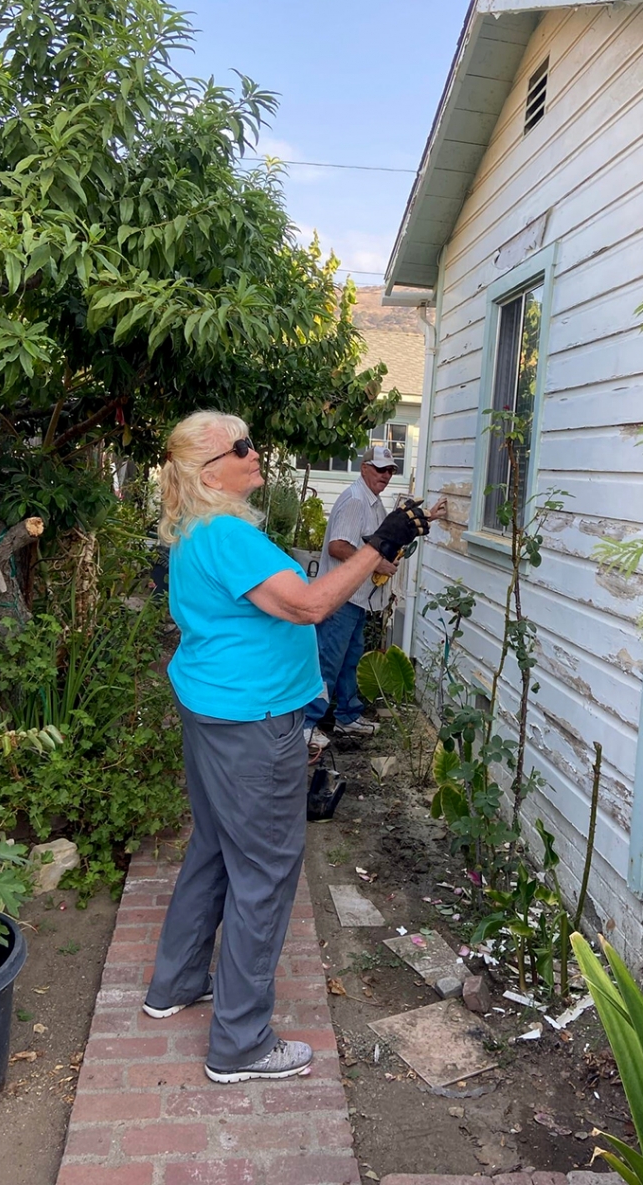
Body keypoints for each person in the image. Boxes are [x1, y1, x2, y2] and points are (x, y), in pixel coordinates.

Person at [143, 410, 440, 1082]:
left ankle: (177, 982)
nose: (255, 453)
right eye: (240, 447)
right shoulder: (225, 534)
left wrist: (381, 546)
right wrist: (382, 538)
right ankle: (241, 1043)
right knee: (266, 871)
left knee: (215, 846)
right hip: (252, 722)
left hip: (213, 708)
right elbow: (309, 604)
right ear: (209, 472)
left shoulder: (198, 526)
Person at [304, 444, 433, 752]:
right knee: (326, 663)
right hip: (340, 599)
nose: (385, 475)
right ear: (364, 468)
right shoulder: (355, 500)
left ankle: (347, 716)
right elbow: (338, 546)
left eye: (390, 471)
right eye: (379, 469)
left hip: (357, 598)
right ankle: (306, 725)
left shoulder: (373, 502)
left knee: (350, 661)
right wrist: (377, 564)